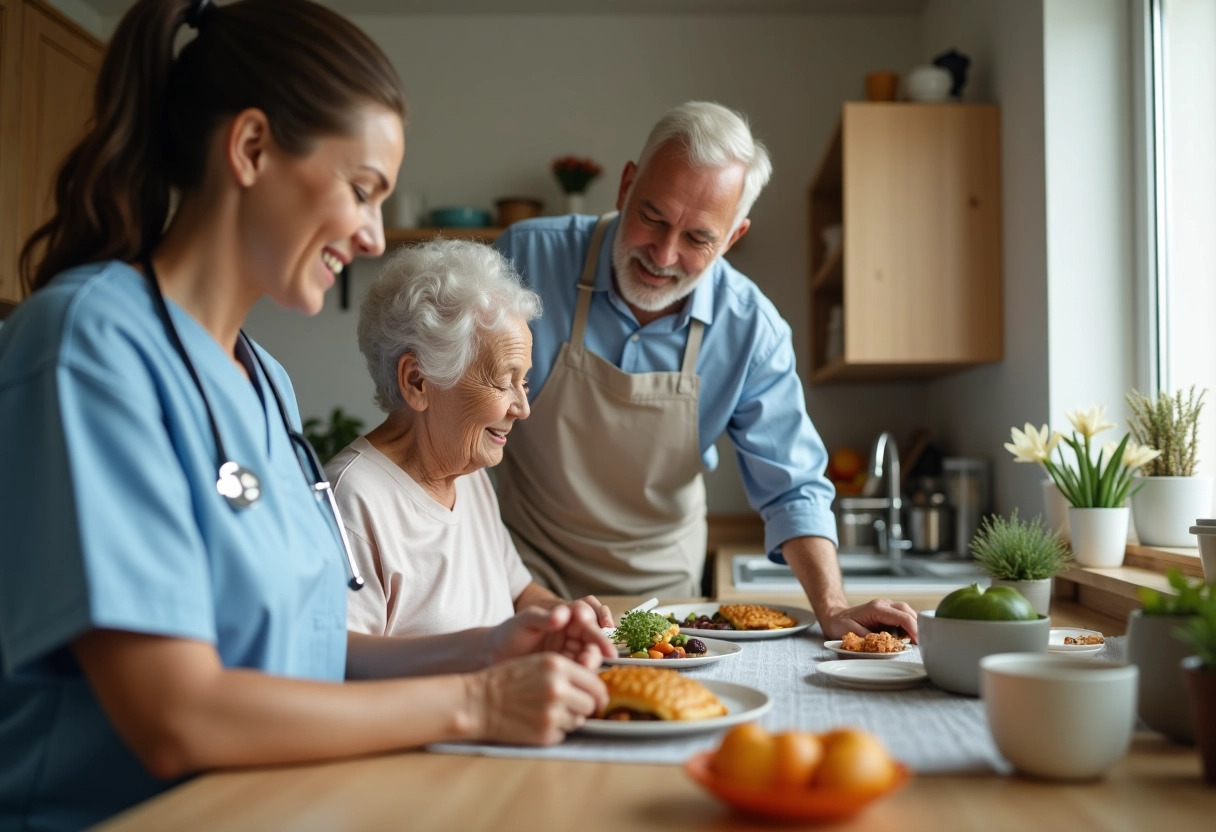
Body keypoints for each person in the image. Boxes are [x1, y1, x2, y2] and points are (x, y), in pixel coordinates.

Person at [0, 2, 609, 829]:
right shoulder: (90, 345)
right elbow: (179, 715)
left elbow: (312, 658)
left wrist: (491, 646)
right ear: (251, 149)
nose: (373, 236)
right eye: (362, 191)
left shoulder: (265, 383)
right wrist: (477, 701)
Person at [493, 101, 918, 641]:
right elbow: (457, 412)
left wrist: (833, 608)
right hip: (524, 567)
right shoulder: (525, 259)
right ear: (626, 187)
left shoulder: (751, 329)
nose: (664, 254)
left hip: (659, 585)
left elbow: (792, 489)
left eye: (698, 239)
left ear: (733, 238)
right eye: (653, 217)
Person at [326, 238, 614, 637]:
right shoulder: (351, 501)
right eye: (502, 381)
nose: (522, 408)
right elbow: (341, 665)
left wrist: (564, 614)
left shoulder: (470, 474)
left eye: (524, 382)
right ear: (417, 380)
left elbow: (518, 593)